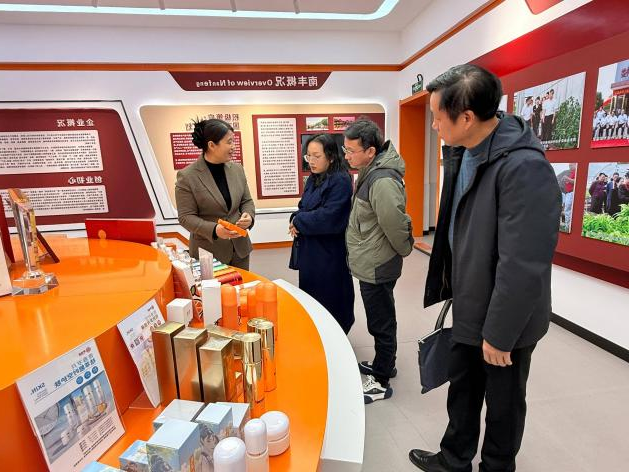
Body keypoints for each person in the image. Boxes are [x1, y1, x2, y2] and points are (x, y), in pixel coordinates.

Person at [410, 64, 560, 472]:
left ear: (466, 118)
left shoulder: (523, 168)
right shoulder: (464, 152)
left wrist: (499, 334)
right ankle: (454, 459)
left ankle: (496, 466)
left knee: (503, 404)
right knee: (463, 388)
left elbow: (523, 265)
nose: (434, 125)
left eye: (437, 116)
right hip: (471, 302)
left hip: (506, 317)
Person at [343, 118, 414, 404]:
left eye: (351, 151)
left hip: (378, 263)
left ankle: (382, 380)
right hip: (371, 259)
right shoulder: (370, 171)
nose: (347, 156)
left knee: (381, 321)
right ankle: (385, 363)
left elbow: (394, 223)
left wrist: (404, 249)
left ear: (371, 151)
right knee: (379, 317)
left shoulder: (382, 179)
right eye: (345, 150)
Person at [288, 134, 355, 334]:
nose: (311, 161)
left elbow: (329, 218)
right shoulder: (314, 178)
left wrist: (298, 221)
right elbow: (303, 206)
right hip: (310, 251)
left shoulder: (341, 180)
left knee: (331, 297)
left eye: (317, 156)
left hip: (329, 253)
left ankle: (335, 336)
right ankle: (317, 334)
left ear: (331, 157)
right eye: (308, 156)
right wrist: (295, 217)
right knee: (311, 295)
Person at [176, 118, 255, 269]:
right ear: (211, 145)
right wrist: (214, 230)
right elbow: (186, 217)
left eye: (233, 141)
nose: (234, 147)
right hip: (209, 253)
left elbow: (246, 201)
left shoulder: (237, 169)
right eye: (229, 142)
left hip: (240, 250)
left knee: (243, 284)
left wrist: (249, 216)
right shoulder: (187, 176)